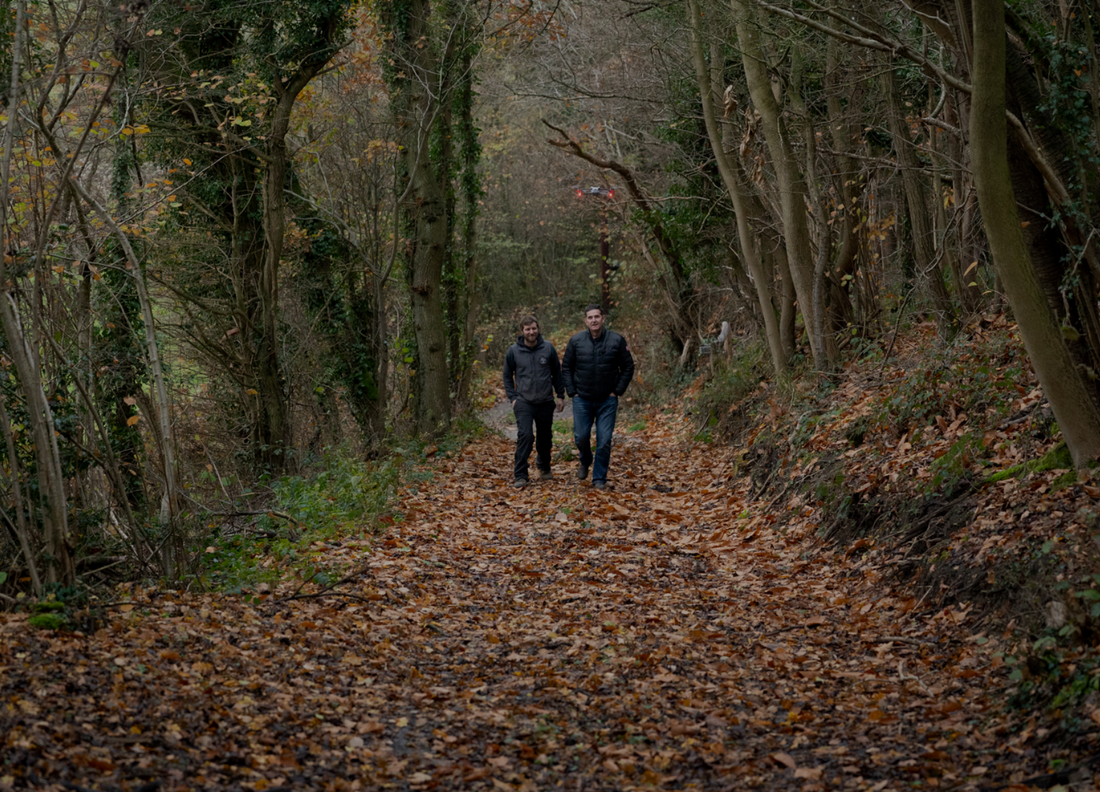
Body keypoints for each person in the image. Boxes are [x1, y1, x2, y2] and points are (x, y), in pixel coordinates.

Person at [561, 304, 635, 490]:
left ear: (603, 318)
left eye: (597, 316)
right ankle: (585, 460)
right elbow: (566, 367)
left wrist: (617, 390)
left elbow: (628, 367)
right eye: (590, 317)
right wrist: (572, 391)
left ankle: (599, 479)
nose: (593, 320)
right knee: (581, 437)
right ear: (586, 321)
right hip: (582, 398)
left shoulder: (616, 341)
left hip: (607, 400)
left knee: (604, 441)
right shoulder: (576, 341)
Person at [502, 315, 565, 488]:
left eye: (534, 328)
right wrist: (513, 398)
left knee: (545, 438)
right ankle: (520, 474)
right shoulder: (513, 351)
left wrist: (560, 395)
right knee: (526, 436)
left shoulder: (548, 348)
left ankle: (544, 466)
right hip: (523, 402)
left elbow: (557, 374)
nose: (531, 332)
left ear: (538, 329)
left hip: (545, 401)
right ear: (522, 331)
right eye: (528, 329)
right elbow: (507, 376)